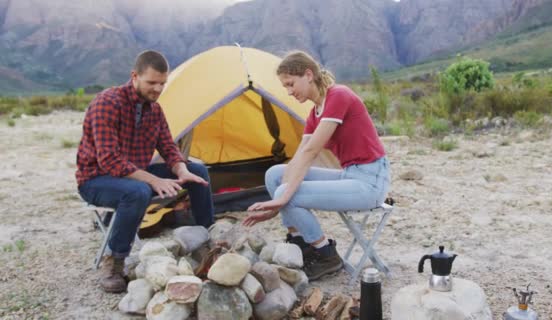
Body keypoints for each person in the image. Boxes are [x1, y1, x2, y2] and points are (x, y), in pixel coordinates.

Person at [243, 51, 391, 281]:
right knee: (275, 175)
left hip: (371, 182)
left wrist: (281, 200)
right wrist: (277, 206)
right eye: (286, 87)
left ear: (308, 75)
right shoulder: (314, 113)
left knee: (285, 192)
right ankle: (300, 242)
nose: (290, 92)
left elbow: (311, 152)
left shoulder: (338, 95)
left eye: (291, 84)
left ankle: (325, 254)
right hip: (349, 175)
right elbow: (300, 155)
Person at [76, 50, 214, 293]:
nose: (158, 89)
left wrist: (181, 170)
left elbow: (169, 148)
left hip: (135, 175)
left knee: (198, 172)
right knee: (138, 191)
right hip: (96, 179)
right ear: (134, 76)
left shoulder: (155, 110)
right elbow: (109, 160)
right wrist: (153, 180)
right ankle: (115, 262)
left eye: (163, 83)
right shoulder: (107, 103)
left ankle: (207, 244)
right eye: (152, 83)